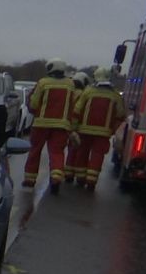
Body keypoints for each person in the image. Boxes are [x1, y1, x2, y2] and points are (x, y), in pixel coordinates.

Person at [23, 58, 80, 194]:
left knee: (35, 151)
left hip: (41, 125)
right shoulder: (70, 84)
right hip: (61, 126)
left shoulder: (43, 83)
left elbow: (34, 104)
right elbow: (73, 104)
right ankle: (55, 179)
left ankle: (30, 180)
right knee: (57, 153)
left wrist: (33, 108)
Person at [68, 66, 125, 190]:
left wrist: (73, 128)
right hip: (103, 134)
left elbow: (77, 111)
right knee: (97, 156)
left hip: (84, 131)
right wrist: (113, 130)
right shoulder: (115, 95)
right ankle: (91, 182)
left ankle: (80, 178)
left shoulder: (88, 91)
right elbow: (120, 115)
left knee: (82, 154)